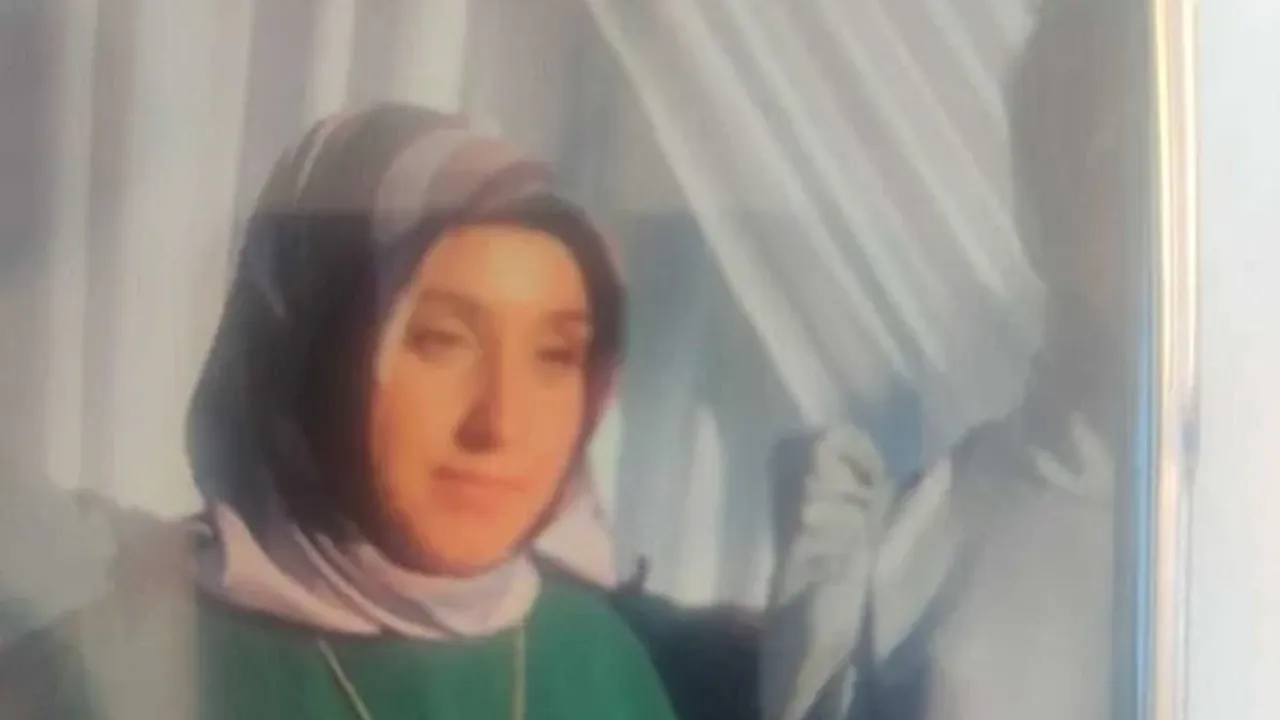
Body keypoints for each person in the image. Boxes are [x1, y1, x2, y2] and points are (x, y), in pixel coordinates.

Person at [0, 105, 758, 720]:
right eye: (440, 341)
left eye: (555, 356)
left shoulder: (595, 657)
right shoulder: (111, 677)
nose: (500, 424)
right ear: (310, 350)